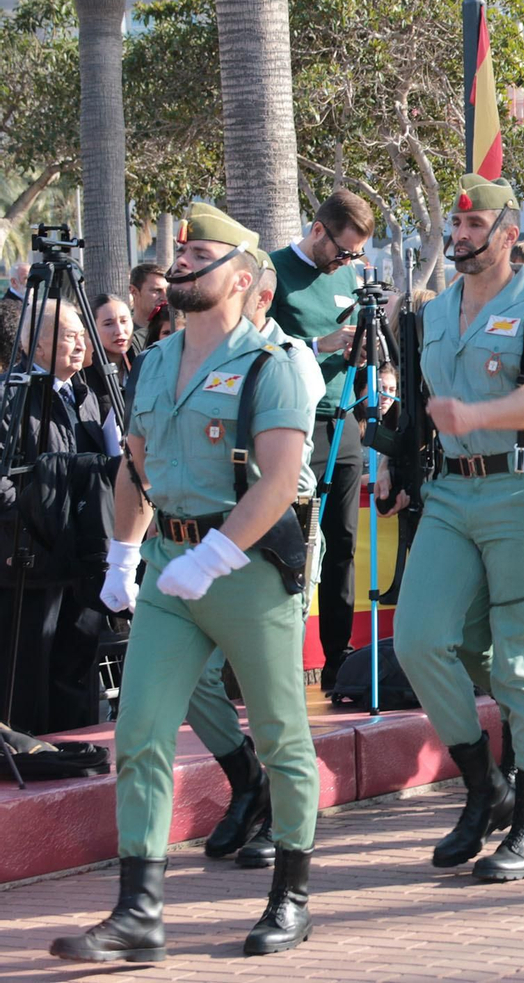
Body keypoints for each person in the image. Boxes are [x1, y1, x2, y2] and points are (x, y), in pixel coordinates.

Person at [50, 203, 319, 962]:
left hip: (248, 566)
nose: (180, 261)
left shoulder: (277, 361)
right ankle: (139, 912)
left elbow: (278, 482)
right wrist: (121, 558)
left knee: (281, 737)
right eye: (180, 252)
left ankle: (292, 896)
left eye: (199, 252)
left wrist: (216, 556)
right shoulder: (158, 359)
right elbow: (133, 465)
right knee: (139, 732)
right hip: (171, 563)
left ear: (241, 278)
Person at [388, 174, 524, 882]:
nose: (463, 236)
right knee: (417, 640)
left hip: (521, 491)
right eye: (459, 226)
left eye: (477, 227)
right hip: (448, 492)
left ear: (508, 235)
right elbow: (417, 399)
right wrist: (398, 456)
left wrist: (478, 417)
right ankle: (484, 787)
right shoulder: (434, 311)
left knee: (521, 655)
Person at [181, 254, 325, 870]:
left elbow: (285, 469)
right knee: (194, 680)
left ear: (258, 297)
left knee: (275, 693)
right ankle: (248, 782)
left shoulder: (288, 359)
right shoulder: (186, 356)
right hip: (203, 537)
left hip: (273, 539)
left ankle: (281, 820)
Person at [265, 189, 376, 694]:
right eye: (343, 251)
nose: (348, 262)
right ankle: (276, 663)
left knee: (344, 545)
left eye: (355, 255)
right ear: (317, 230)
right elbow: (257, 345)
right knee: (291, 545)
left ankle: (338, 662)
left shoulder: (349, 277)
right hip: (293, 425)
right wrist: (316, 345)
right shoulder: (273, 271)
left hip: (343, 421)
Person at [0, 300, 117, 736]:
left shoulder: (86, 396)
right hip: (32, 561)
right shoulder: (12, 395)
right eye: (69, 334)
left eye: (82, 333)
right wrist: (30, 527)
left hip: (83, 558)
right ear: (34, 342)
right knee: (28, 677)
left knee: (76, 669)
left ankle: (78, 753)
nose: (81, 342)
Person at [126, 262, 169, 354]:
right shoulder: (125, 336)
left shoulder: (178, 329)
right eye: (157, 291)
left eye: (168, 290)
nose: (165, 297)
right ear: (134, 291)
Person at [93, 294, 137, 378]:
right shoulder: (84, 375)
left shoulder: (143, 364)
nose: (119, 331)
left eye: (124, 321)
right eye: (108, 324)